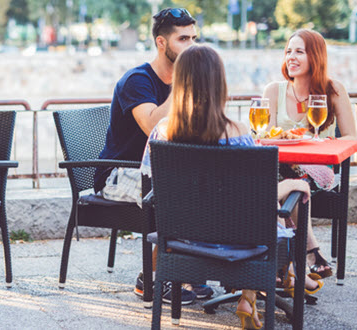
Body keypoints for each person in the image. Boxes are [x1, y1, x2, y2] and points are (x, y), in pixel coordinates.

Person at [138, 44, 322, 330]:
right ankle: (255, 292)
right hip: (239, 242)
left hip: (182, 241)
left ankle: (254, 293)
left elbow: (152, 187)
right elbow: (254, 197)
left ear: (179, 83)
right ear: (219, 83)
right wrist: (291, 184)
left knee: (258, 215)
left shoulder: (161, 132)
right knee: (273, 215)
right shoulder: (238, 134)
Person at [93, 7, 201, 304]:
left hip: (164, 171)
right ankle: (150, 277)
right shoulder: (137, 81)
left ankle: (190, 271)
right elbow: (154, 124)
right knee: (183, 192)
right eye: (183, 39)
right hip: (117, 173)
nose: (191, 46)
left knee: (208, 185)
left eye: (193, 39)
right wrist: (183, 83)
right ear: (161, 43)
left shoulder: (186, 84)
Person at [262, 29, 357, 279]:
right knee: (287, 181)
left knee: (291, 181)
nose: (291, 57)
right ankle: (308, 255)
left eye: (299, 52)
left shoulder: (333, 89)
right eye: (288, 51)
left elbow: (351, 137)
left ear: (315, 56)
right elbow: (264, 135)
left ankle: (290, 260)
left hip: (317, 168)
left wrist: (320, 141)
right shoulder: (274, 90)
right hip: (280, 168)